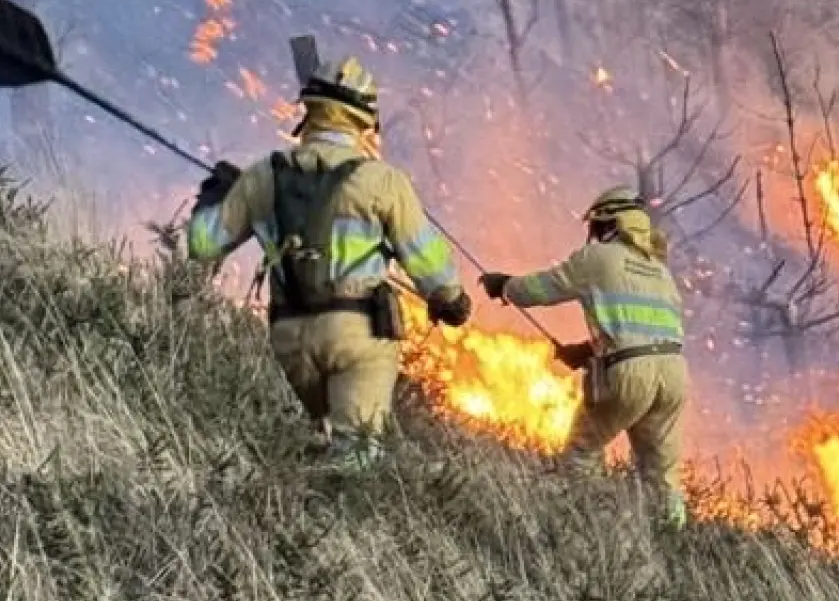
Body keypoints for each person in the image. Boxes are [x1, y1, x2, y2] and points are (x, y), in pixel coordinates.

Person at [188, 56, 471, 469]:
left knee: (322, 435)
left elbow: (203, 245)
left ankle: (293, 501)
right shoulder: (382, 181)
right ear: (365, 120)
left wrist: (214, 195)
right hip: (356, 336)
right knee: (355, 456)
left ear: (308, 110)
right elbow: (427, 258)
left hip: (290, 337)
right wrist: (449, 298)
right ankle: (335, 521)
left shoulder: (263, 175)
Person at [478, 187, 689, 528]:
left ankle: (587, 527)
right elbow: (645, 332)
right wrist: (588, 350)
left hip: (627, 374)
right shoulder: (660, 271)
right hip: (675, 375)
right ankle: (674, 536)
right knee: (661, 471)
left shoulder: (599, 258)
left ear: (609, 224)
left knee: (582, 453)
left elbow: (547, 287)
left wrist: (506, 287)